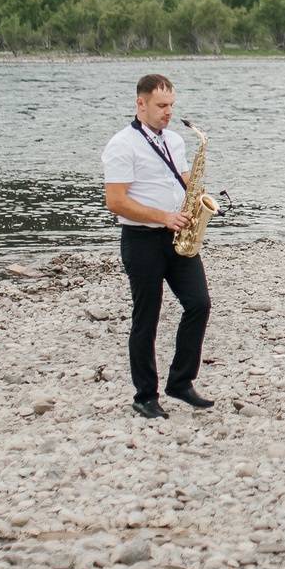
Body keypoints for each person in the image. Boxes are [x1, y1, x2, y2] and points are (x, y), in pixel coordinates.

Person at [101, 73, 213, 418]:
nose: (168, 112)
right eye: (161, 106)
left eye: (171, 106)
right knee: (146, 318)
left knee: (199, 304)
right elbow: (115, 201)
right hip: (142, 239)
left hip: (177, 235)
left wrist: (197, 199)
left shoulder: (175, 140)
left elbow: (181, 179)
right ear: (141, 104)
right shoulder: (122, 145)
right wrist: (164, 216)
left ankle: (180, 382)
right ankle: (144, 395)